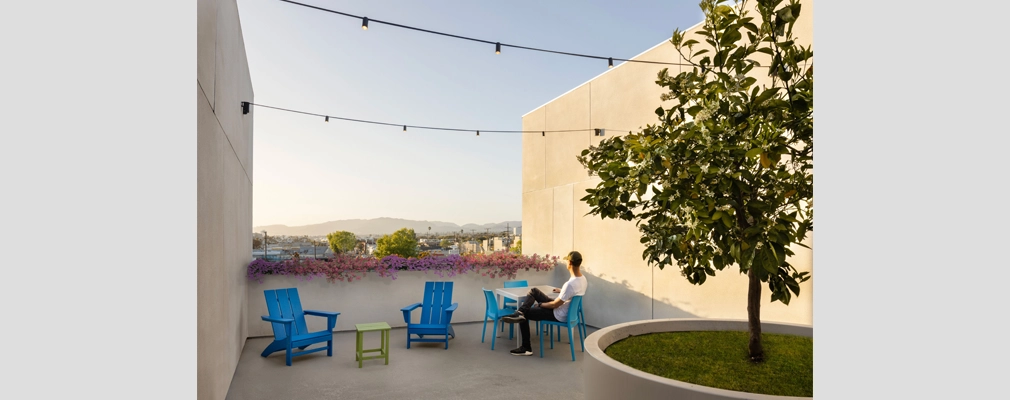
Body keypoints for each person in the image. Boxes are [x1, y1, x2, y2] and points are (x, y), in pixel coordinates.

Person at [501, 251, 587, 356]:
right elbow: (573, 292)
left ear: (569, 263)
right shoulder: (582, 280)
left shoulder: (569, 284)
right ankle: (520, 312)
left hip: (558, 314)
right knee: (534, 291)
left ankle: (526, 347)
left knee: (525, 313)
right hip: (565, 311)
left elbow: (555, 305)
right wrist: (561, 291)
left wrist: (541, 305)